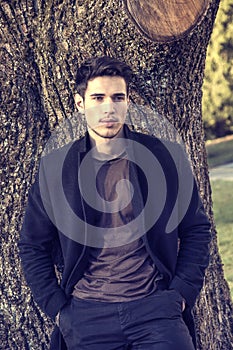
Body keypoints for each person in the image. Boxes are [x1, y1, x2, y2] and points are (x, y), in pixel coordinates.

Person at [19, 56, 211, 350]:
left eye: (117, 97)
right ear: (80, 104)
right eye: (97, 98)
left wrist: (181, 293)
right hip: (87, 317)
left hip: (156, 312)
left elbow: (196, 228)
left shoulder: (164, 157)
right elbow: (33, 245)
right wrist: (58, 310)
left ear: (127, 102)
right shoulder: (56, 169)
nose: (108, 107)